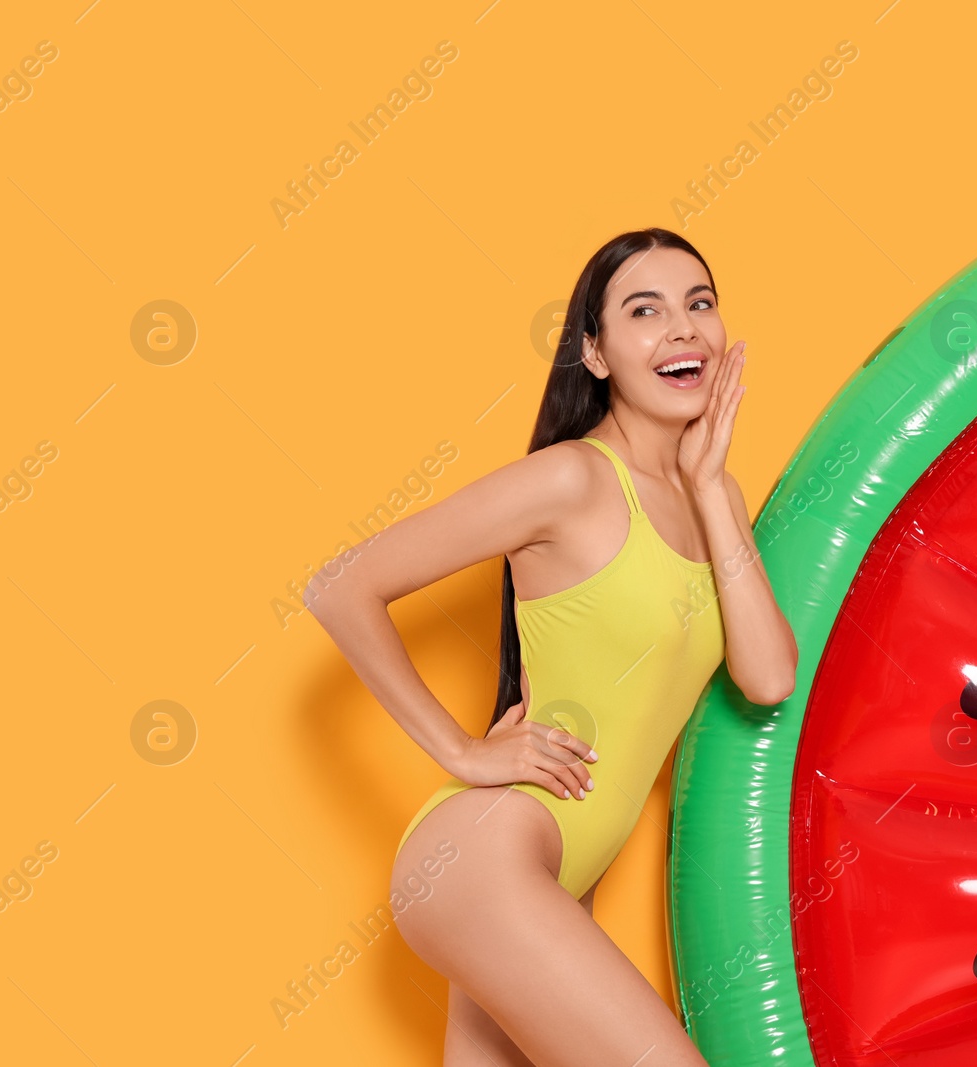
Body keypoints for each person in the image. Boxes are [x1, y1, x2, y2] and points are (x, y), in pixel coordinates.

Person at [305, 227, 798, 1065]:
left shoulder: (713, 494)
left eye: (699, 304)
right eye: (645, 311)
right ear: (596, 353)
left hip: (555, 883)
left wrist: (712, 487)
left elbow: (769, 674)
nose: (683, 328)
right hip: (487, 863)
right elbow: (339, 586)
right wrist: (464, 752)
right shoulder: (570, 480)